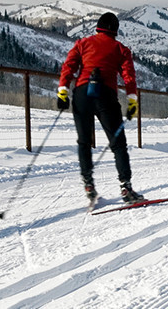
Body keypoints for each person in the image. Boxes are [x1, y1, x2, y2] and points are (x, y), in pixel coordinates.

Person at [57, 12, 143, 204]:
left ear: (98, 27)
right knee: (118, 144)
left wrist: (62, 90)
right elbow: (129, 76)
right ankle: (126, 189)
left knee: (84, 142)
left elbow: (69, 66)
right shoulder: (121, 49)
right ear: (115, 30)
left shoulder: (82, 43)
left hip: (81, 94)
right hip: (105, 95)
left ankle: (89, 186)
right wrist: (132, 101)